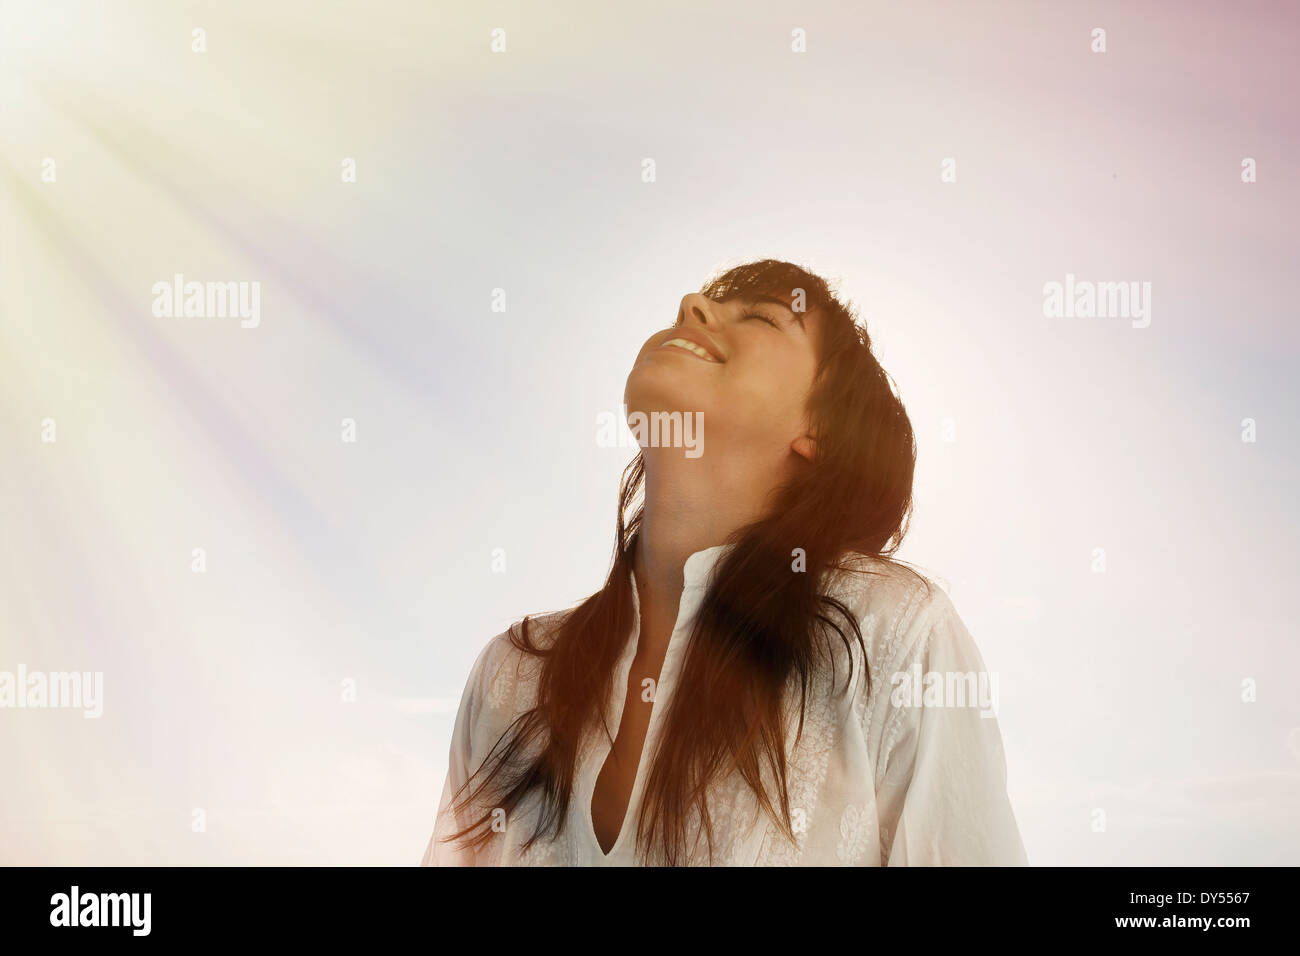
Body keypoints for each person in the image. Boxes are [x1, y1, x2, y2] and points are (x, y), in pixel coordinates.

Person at [421, 258, 1028, 866]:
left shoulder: (890, 633)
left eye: (762, 317)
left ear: (819, 430)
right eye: (698, 302)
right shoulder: (511, 675)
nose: (691, 305)